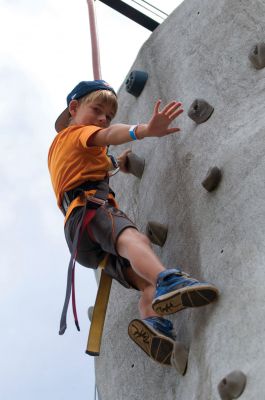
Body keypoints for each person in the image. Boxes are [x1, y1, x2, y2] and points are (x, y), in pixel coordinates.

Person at [48, 80, 219, 368]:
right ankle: (170, 280)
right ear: (74, 109)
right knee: (136, 241)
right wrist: (144, 130)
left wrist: (115, 164)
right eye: (97, 109)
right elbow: (108, 135)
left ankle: (153, 322)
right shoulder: (78, 132)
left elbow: (92, 162)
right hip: (91, 210)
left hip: (82, 241)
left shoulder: (61, 149)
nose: (103, 119)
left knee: (143, 277)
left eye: (108, 115)